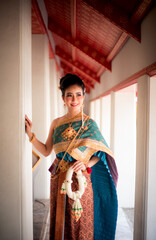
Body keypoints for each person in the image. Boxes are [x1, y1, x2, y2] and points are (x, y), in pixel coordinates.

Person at [25, 73, 118, 240]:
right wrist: (30, 135)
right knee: (60, 220)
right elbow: (47, 150)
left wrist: (86, 164)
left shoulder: (89, 124)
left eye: (78, 95)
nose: (74, 99)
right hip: (59, 179)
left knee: (80, 224)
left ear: (83, 96)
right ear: (63, 98)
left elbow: (101, 153)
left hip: (81, 179)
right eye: (69, 95)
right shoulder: (56, 123)